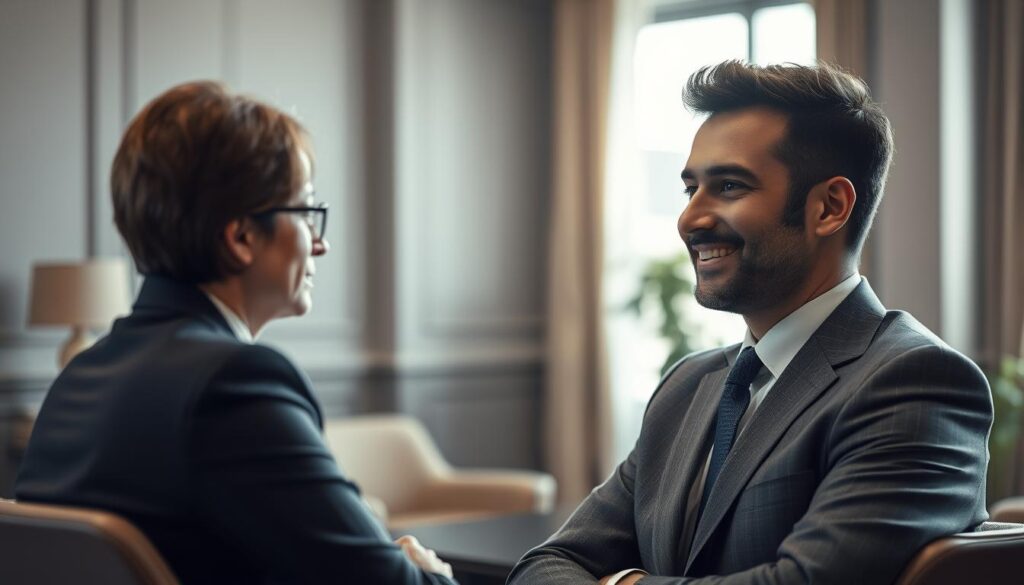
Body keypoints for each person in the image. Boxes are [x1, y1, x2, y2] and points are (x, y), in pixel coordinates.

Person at [508, 61, 992, 585]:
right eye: (690, 188)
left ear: (830, 207)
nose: (690, 218)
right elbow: (544, 566)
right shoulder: (687, 386)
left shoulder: (916, 383)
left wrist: (623, 582)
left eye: (730, 186)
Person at [17, 81, 456, 585]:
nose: (320, 245)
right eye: (307, 213)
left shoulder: (80, 377)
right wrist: (429, 571)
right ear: (242, 237)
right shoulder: (235, 384)